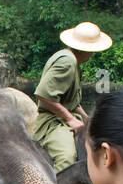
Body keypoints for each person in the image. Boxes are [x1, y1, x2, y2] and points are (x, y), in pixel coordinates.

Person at [31, 21, 112, 171]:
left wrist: (86, 118)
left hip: (64, 116)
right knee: (67, 158)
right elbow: (43, 95)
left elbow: (71, 101)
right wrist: (71, 119)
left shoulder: (72, 61)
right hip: (53, 122)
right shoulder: (67, 62)